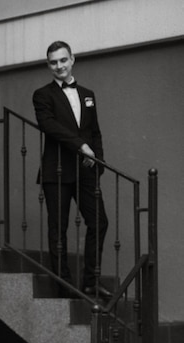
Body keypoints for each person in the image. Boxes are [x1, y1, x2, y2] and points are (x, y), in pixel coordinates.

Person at [33, 41, 111, 299]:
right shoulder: (42, 94)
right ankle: (63, 284)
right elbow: (49, 125)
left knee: (99, 222)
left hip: (86, 171)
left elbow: (95, 131)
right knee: (59, 230)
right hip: (56, 172)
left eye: (63, 60)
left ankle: (91, 281)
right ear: (49, 65)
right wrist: (81, 146)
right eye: (54, 62)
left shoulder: (88, 94)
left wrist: (97, 161)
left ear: (72, 59)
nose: (59, 66)